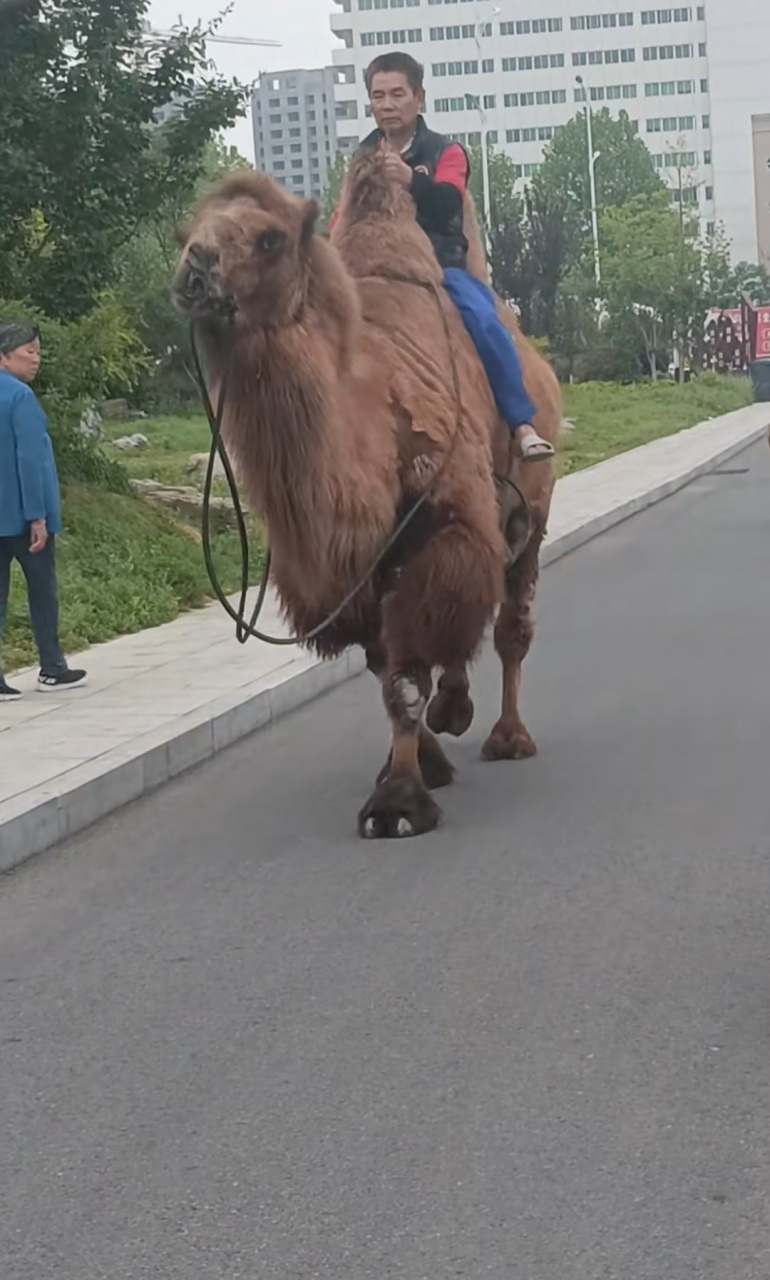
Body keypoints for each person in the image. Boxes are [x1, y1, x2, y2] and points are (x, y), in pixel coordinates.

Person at [330, 51, 554, 463]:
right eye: (378, 96)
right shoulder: (362, 158)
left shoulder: (446, 152)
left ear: (419, 97)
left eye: (398, 93)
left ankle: (521, 423)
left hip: (439, 268)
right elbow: (344, 215)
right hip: (372, 272)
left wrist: (410, 184)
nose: (387, 104)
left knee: (484, 319)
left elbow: (449, 203)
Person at [0, 321, 87, 699]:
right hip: (22, 518)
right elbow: (30, 460)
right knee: (42, 592)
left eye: (38, 350)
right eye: (28, 351)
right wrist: (37, 516)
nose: (37, 358)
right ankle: (52, 668)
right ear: (4, 356)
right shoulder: (20, 398)